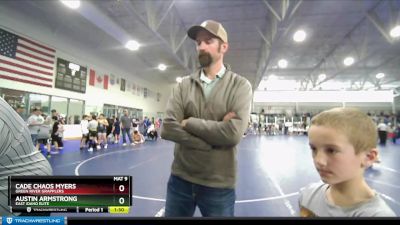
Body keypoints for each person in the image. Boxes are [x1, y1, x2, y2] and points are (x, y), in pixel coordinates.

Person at [161, 20, 252, 217]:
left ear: (224, 47)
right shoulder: (183, 85)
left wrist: (189, 122)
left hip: (219, 185)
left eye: (208, 41)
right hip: (180, 180)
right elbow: (167, 127)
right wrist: (208, 142)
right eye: (198, 43)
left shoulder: (240, 86)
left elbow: (232, 134)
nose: (201, 46)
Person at [299, 107, 396, 217]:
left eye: (331, 150)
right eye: (314, 149)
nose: (318, 160)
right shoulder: (308, 196)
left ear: (368, 157)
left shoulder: (375, 215)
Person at [0, 97, 53, 216]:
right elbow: (31, 124)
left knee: (41, 143)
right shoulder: (31, 117)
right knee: (37, 143)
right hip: (32, 138)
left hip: (23, 191)